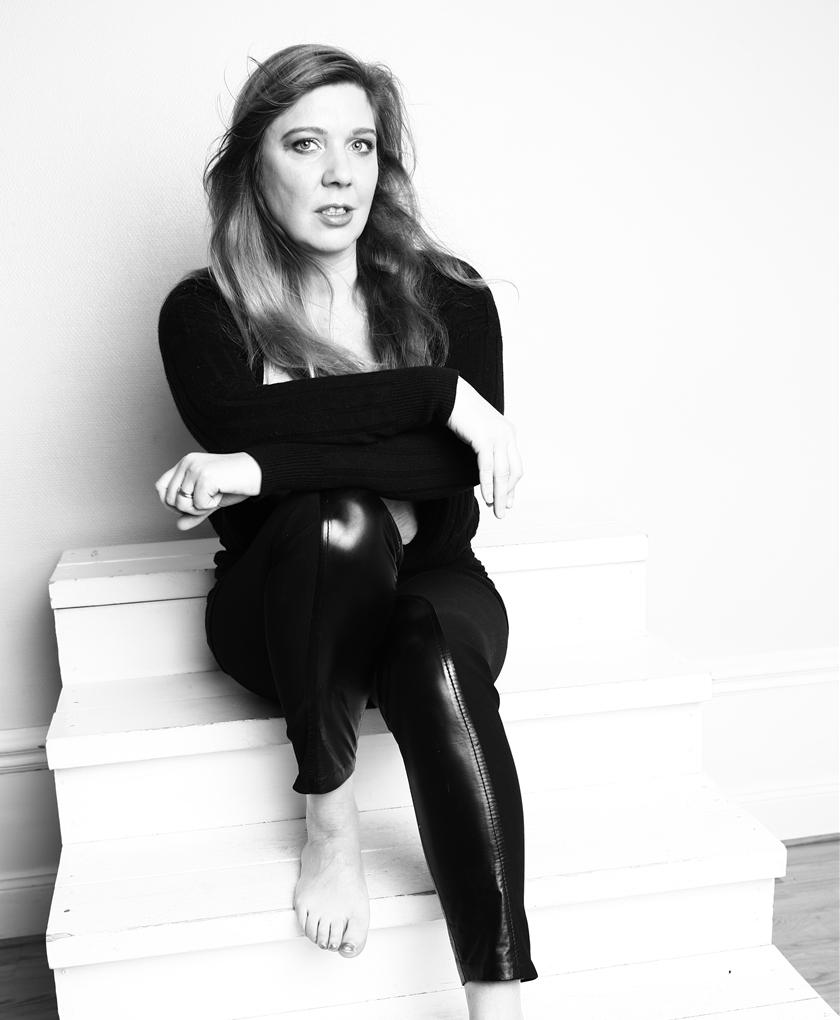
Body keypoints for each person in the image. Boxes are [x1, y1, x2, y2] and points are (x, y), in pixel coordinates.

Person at [155, 43, 536, 1020]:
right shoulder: (207, 312)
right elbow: (235, 424)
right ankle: (330, 822)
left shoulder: (453, 297)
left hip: (434, 579)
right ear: (254, 166)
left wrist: (262, 469)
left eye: (361, 145)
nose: (339, 173)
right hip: (281, 603)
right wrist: (436, 396)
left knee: (431, 650)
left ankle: (499, 1003)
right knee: (341, 520)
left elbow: (451, 472)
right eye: (305, 144)